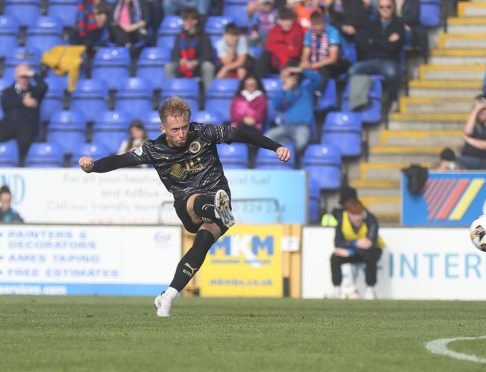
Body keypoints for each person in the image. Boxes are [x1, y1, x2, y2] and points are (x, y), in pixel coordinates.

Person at [78, 97, 290, 317]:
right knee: (196, 199)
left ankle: (167, 296)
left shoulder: (204, 133)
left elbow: (242, 135)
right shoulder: (154, 148)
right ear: (163, 128)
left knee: (202, 244)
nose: (181, 134)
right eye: (175, 129)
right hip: (187, 205)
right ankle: (218, 210)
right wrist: (93, 166)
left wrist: (276, 147)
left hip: (219, 194)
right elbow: (119, 161)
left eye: (185, 127)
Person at [349, 0, 405, 112]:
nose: (385, 9)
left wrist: (375, 40)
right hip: (372, 60)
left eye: (388, 7)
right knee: (353, 70)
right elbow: (364, 44)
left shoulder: (399, 24)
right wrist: (386, 42)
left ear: (392, 8)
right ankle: (360, 102)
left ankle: (393, 100)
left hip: (389, 60)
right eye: (382, 7)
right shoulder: (372, 24)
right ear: (378, 8)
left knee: (392, 73)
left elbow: (395, 47)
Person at [330, 187, 384, 300]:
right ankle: (337, 289)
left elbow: (370, 244)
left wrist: (349, 250)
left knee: (370, 255)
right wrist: (355, 244)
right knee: (335, 257)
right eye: (353, 216)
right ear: (348, 213)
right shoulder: (341, 219)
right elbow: (337, 242)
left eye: (359, 215)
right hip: (354, 251)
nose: (357, 218)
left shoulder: (371, 219)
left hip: (370, 251)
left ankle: (370, 289)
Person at [264, 64, 321, 154]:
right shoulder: (282, 92)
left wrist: (300, 69)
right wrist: (284, 90)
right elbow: (276, 105)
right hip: (285, 126)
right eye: (285, 76)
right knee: (267, 138)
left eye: (290, 75)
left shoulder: (306, 90)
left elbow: (318, 79)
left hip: (302, 126)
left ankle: (292, 158)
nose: (288, 78)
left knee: (301, 143)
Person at [0, 64, 48, 166]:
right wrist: (23, 101)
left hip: (26, 129)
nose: (24, 79)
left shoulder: (34, 92)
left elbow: (44, 86)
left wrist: (33, 73)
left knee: (25, 134)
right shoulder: (8, 91)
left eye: (27, 76)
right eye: (22, 76)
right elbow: (5, 103)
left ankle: (21, 163)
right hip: (8, 126)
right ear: (16, 76)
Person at [300, 11, 349, 93]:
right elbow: (305, 54)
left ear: (324, 24)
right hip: (317, 63)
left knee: (325, 69)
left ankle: (317, 94)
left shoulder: (333, 32)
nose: (318, 28)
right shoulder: (309, 34)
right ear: (311, 26)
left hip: (339, 63)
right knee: (299, 68)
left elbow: (333, 58)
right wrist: (305, 62)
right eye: (315, 26)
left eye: (320, 25)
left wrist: (313, 65)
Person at [166, 7, 215, 89]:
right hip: (183, 65)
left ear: (196, 21)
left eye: (190, 20)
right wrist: (180, 61)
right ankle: (171, 93)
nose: (187, 22)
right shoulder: (179, 36)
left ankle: (209, 95)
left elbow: (207, 54)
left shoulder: (203, 36)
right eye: (185, 20)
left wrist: (196, 62)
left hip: (197, 66)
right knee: (169, 66)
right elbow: (174, 54)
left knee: (208, 66)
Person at [256, 7, 304, 78]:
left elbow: (295, 52)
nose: (286, 23)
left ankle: (288, 84)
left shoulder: (298, 30)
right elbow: (268, 47)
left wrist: (278, 45)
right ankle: (257, 80)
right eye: (283, 20)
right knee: (265, 55)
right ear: (280, 21)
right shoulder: (274, 30)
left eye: (288, 20)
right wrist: (287, 47)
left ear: (292, 20)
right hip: (276, 62)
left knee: (293, 62)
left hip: (291, 62)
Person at [459, 95, 486, 169]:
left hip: (483, 159)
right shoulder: (473, 124)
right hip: (467, 156)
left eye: (484, 109)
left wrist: (469, 140)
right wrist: (476, 110)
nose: (482, 112)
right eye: (479, 110)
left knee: (455, 159)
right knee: (448, 156)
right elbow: (468, 132)